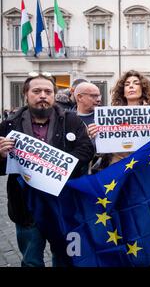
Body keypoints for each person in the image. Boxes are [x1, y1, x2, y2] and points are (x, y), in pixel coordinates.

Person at [0, 73, 94, 267]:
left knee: (64, 258)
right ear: (26, 94)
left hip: (64, 204)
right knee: (31, 260)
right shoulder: (8, 125)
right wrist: (0, 155)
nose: (42, 95)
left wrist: (57, 168)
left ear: (54, 95)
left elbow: (86, 150)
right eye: (36, 91)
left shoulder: (72, 120)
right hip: (26, 207)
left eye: (47, 91)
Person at [90, 70, 150, 169]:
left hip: (145, 167)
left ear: (143, 89)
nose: (131, 86)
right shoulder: (110, 117)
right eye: (127, 84)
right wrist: (94, 134)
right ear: (123, 92)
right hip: (118, 168)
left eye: (136, 83)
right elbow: (101, 148)